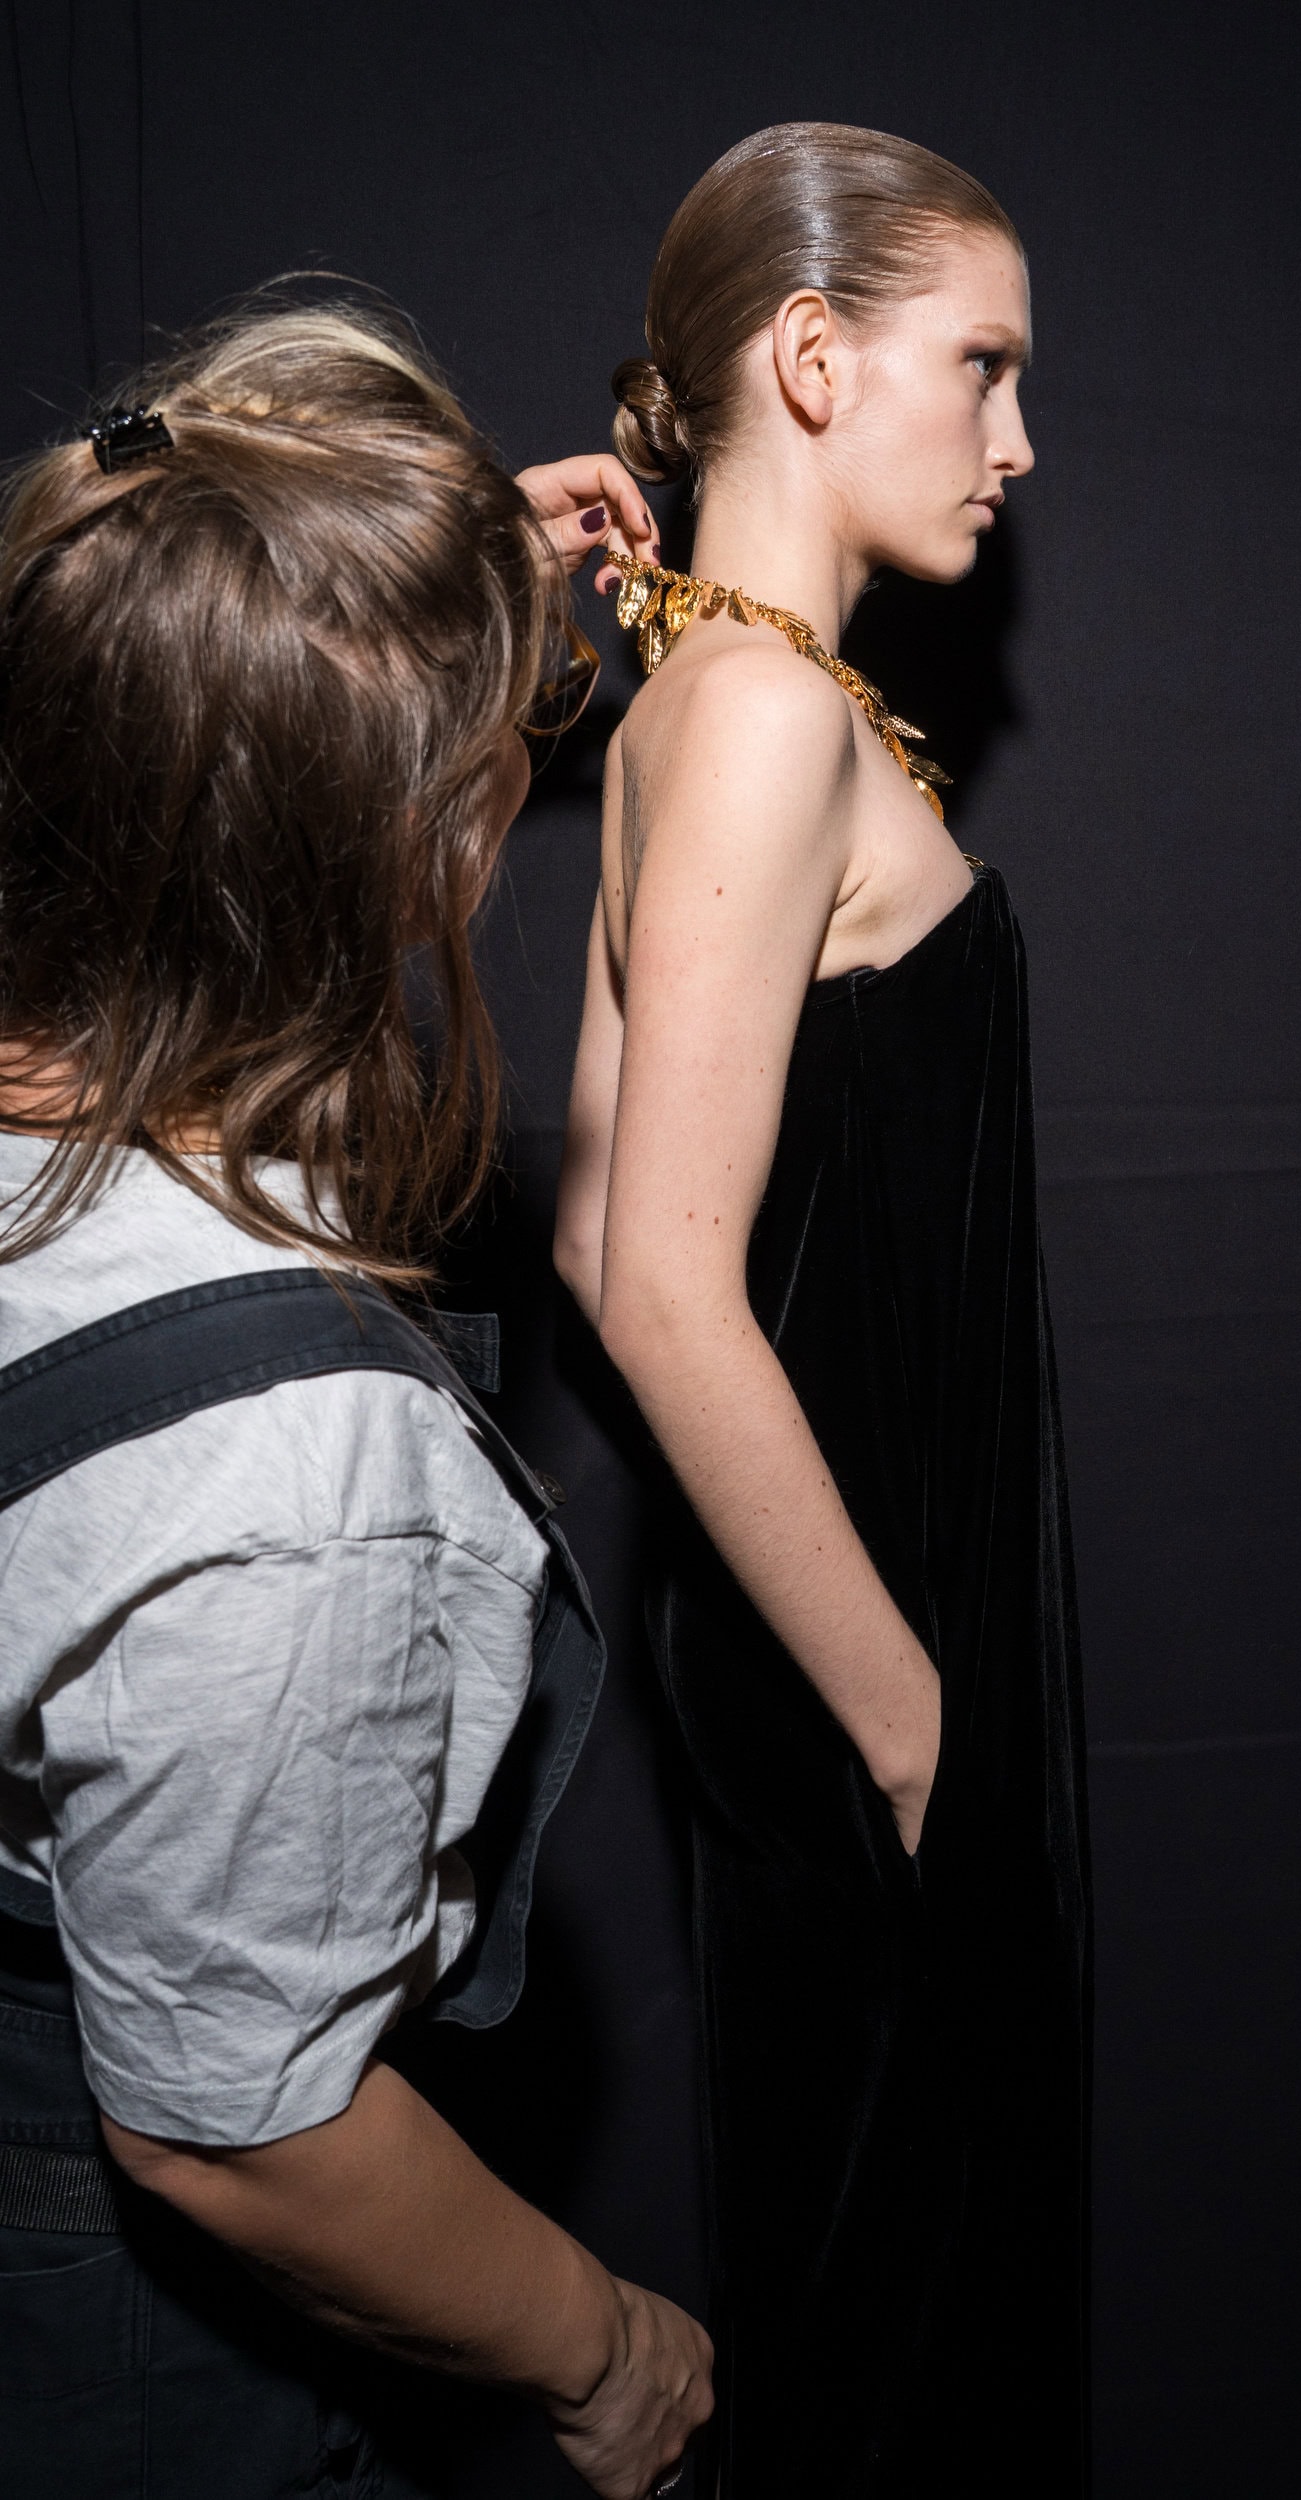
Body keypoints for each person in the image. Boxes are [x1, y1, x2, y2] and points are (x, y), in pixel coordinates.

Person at [0, 302, 712, 2500]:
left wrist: (410, 576)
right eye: (483, 766)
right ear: (409, 847)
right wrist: (602, 2346)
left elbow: (159, 607)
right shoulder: (297, 1466)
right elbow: (244, 2131)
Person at [553, 124, 1090, 2496]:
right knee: (909, 2346)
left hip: (804, 1644)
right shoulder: (763, 713)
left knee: (870, 2302)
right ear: (808, 354)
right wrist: (914, 1730)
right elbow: (658, 1281)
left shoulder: (703, 699)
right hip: (864, 1658)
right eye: (979, 365)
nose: (1014, 438)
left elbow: (596, 1230)